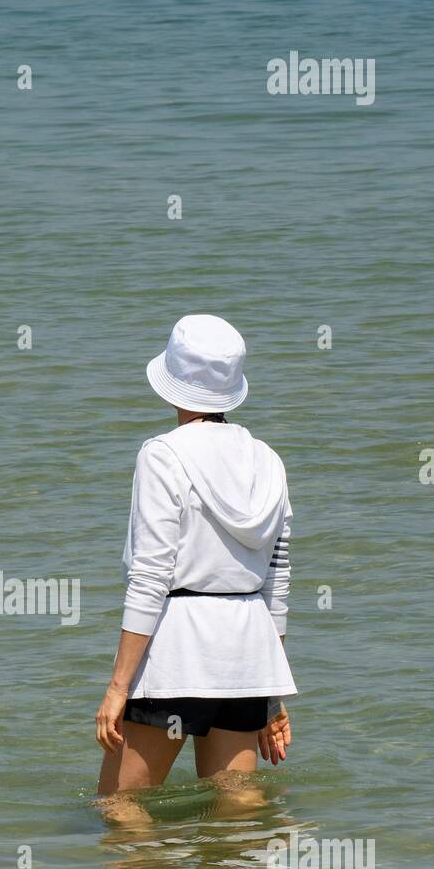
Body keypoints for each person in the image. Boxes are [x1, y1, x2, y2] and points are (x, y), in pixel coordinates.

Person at [96, 314, 296, 804]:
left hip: (177, 652)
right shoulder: (268, 459)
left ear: (172, 386)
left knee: (117, 807)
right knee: (238, 812)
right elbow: (278, 575)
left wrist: (117, 687)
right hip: (246, 653)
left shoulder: (163, 454)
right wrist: (271, 691)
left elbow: (150, 576)